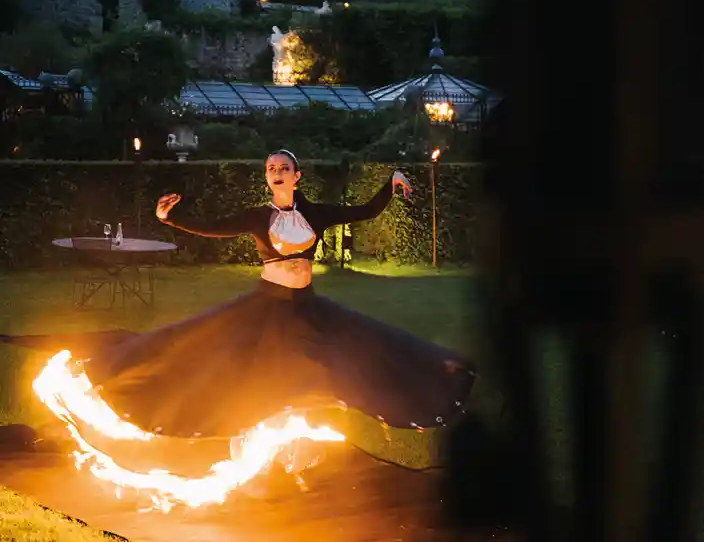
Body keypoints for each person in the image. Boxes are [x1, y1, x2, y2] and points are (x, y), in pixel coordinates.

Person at [75, 150, 476, 442]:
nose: (277, 172)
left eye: (284, 167)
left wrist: (391, 184)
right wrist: (170, 217)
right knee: (221, 355)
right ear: (267, 178)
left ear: (297, 176)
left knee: (362, 347)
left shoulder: (315, 213)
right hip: (268, 305)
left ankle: (430, 380)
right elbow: (211, 227)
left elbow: (364, 211)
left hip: (306, 305)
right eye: (271, 169)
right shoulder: (257, 217)